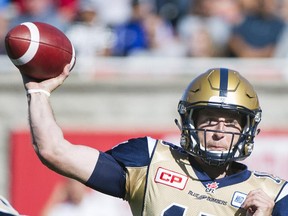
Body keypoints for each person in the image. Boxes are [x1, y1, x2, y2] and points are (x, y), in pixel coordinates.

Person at [21, 66, 288, 215]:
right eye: (208, 119)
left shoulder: (273, 195)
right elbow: (54, 150)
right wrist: (38, 92)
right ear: (189, 122)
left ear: (247, 130)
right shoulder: (149, 160)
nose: (219, 131)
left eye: (231, 122)